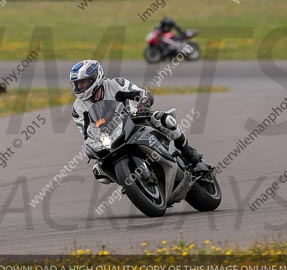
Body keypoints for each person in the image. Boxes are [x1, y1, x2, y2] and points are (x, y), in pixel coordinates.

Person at [69, 59, 203, 181]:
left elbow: (142, 94)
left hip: (135, 119)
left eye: (83, 82)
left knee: (164, 120)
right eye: (77, 84)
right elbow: (86, 133)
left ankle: (187, 149)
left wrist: (143, 104)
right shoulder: (78, 108)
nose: (79, 87)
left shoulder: (115, 84)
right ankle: (130, 182)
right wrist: (91, 147)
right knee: (99, 170)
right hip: (108, 136)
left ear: (95, 78)